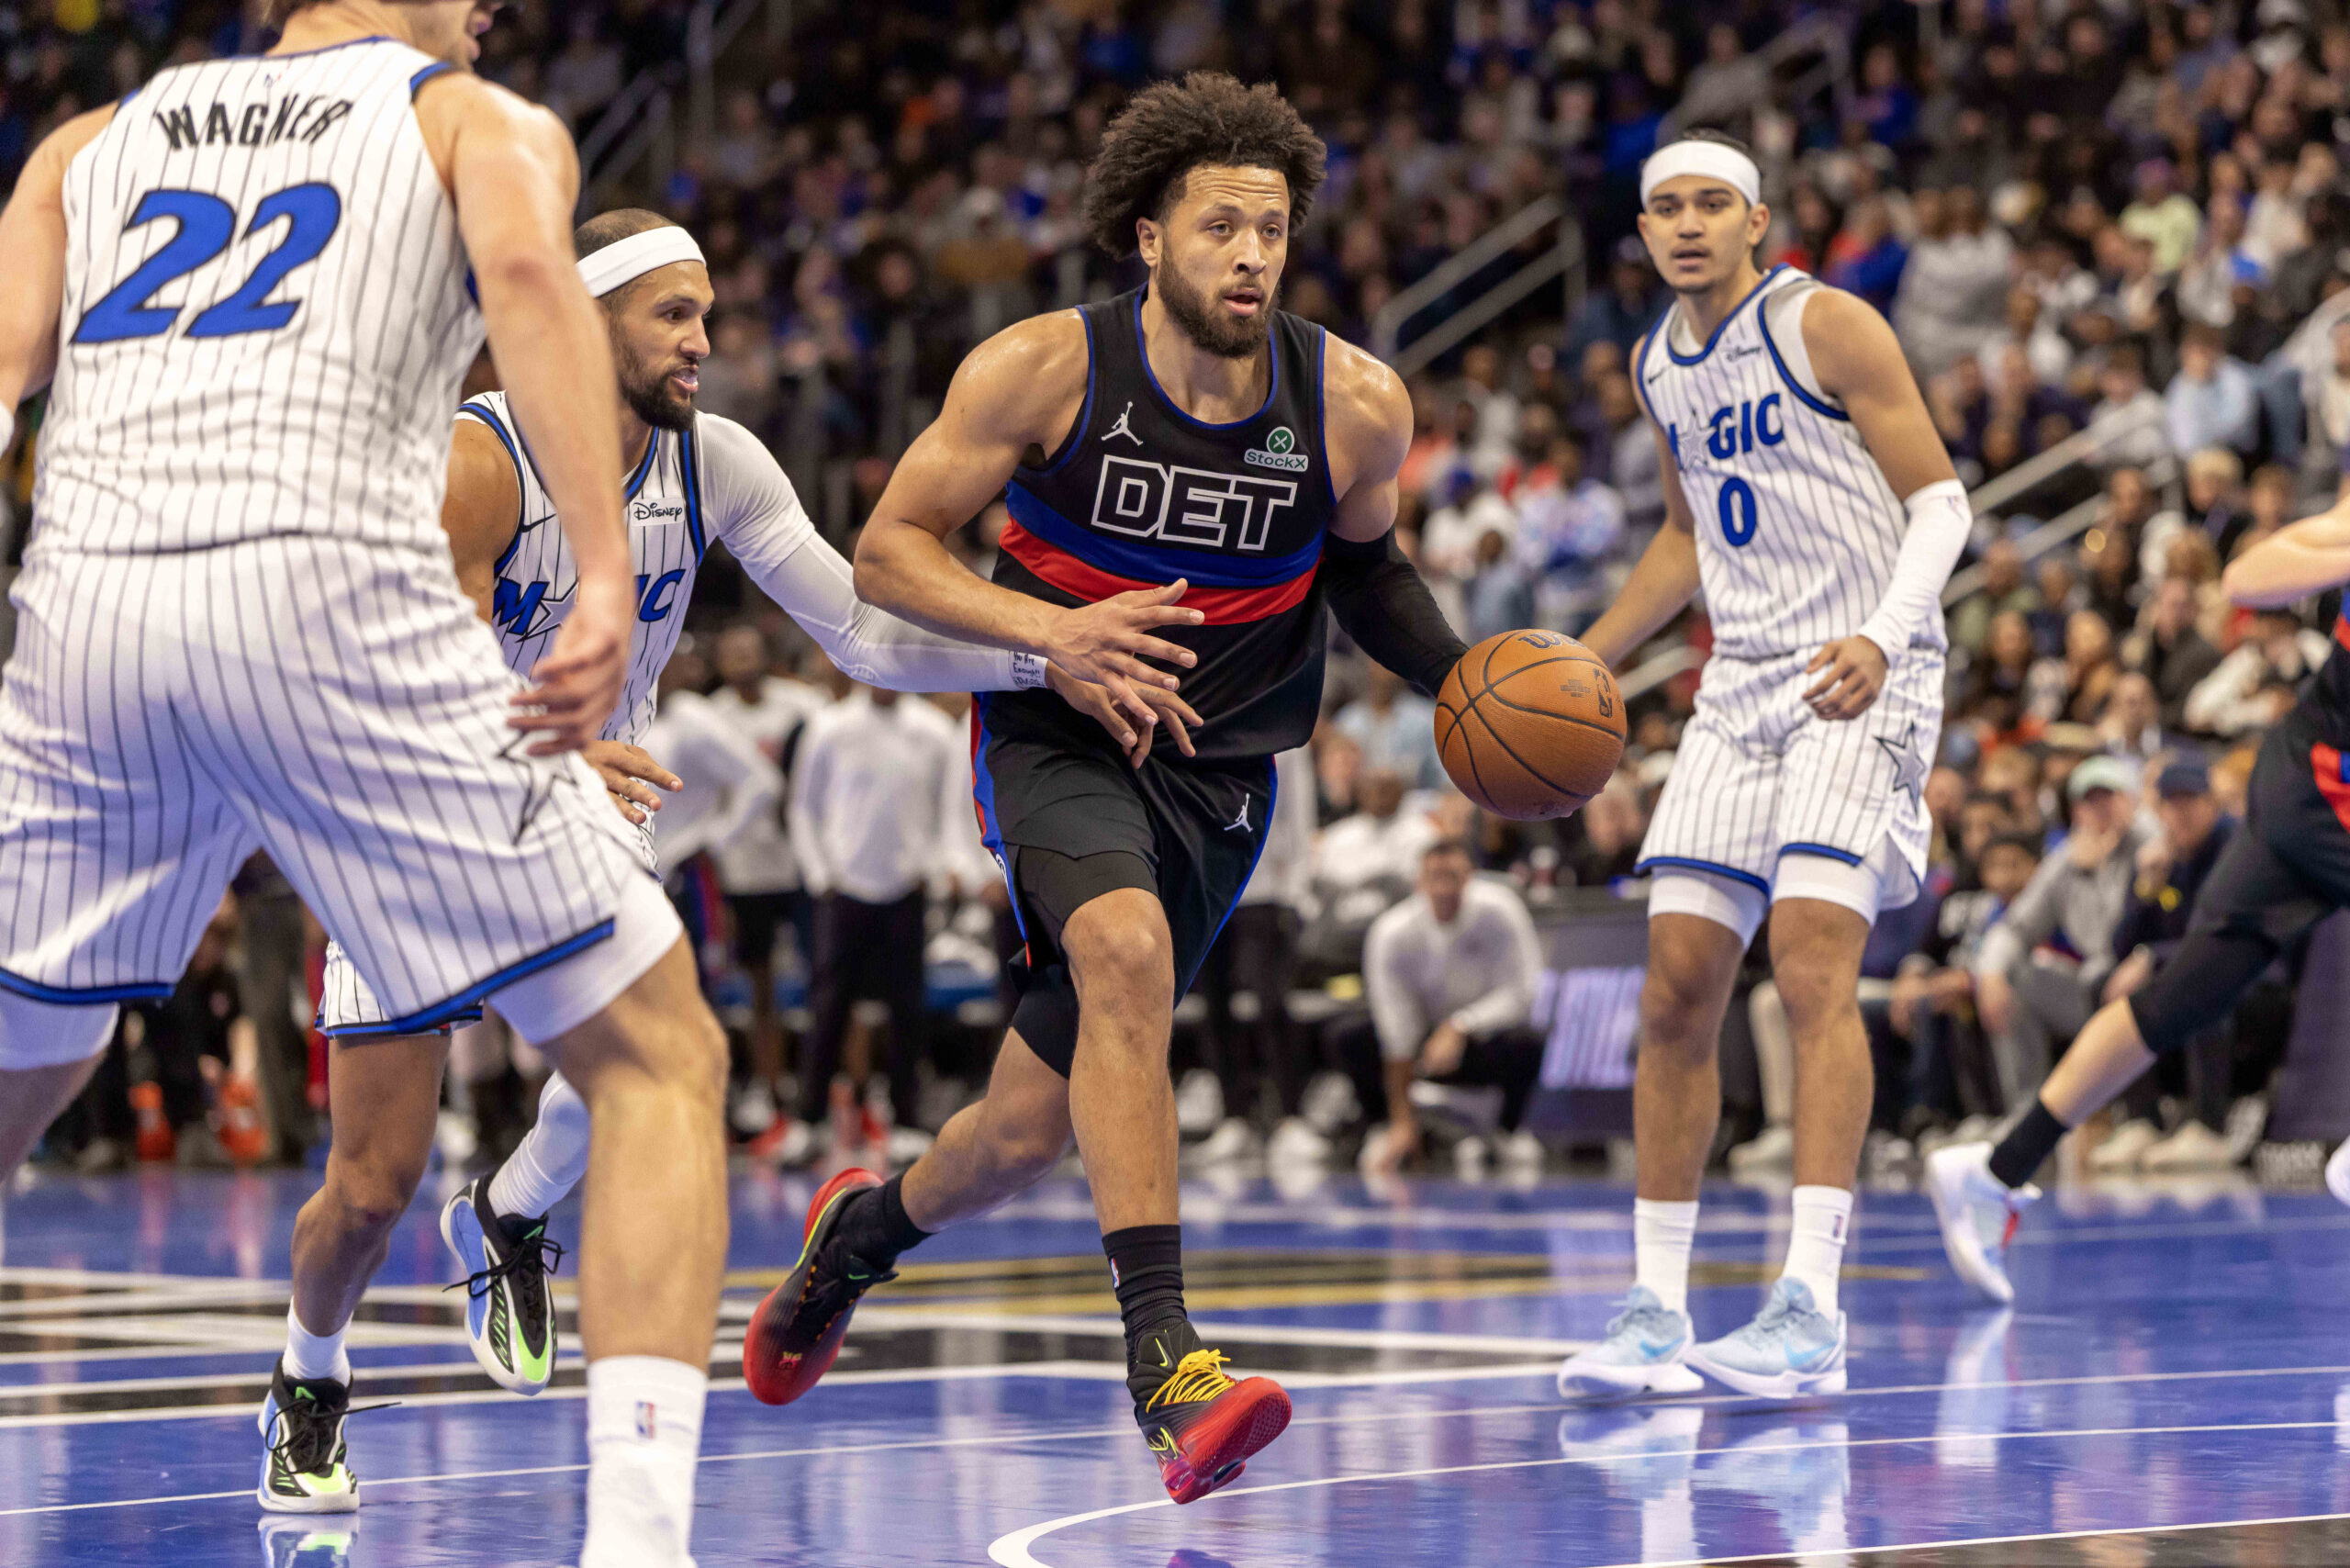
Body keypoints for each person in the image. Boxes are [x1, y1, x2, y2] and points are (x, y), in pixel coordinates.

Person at [0, 8, 724, 1562]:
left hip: (93, 615)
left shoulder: (83, 147)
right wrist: (601, 566)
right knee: (661, 1057)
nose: (492, 13)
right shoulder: (475, 121)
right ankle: (644, 1544)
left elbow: (1, 374)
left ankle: (327, 1368)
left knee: (16, 1080)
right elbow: (532, 289)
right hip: (330, 603)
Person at [292, 214, 1132, 1499]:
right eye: (671, 314)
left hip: (575, 824)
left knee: (667, 1056)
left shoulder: (716, 460)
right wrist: (558, 755)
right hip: (411, 820)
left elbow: (859, 629)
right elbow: (412, 677)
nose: (702, 340)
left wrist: (1042, 651)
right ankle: (311, 1372)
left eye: (707, 313)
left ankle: (510, 1213)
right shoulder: (478, 459)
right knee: (365, 1190)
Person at [804, 73, 1471, 1504]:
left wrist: (1466, 681)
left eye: (1273, 228)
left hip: (1222, 774)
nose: (1251, 253)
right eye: (1220, 224)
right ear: (1149, 238)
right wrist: (1053, 637)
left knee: (1023, 1134)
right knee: (1125, 949)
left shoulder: (1350, 401)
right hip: (1057, 728)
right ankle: (1169, 1364)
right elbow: (888, 548)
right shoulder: (1043, 369)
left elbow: (1363, 567)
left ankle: (859, 1240)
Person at [1552, 130, 1970, 1403]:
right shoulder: (1656, 364)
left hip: (1866, 665)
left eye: (1709, 205)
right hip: (1740, 681)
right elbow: (1683, 540)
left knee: (1808, 961)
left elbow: (1944, 503)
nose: (1685, 224)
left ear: (1757, 221)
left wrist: (1882, 638)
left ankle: (1811, 1307)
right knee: (1676, 987)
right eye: (1664, 207)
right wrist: (1577, 659)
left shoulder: (1827, 324)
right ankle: (1655, 1314)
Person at [1929, 506, 2350, 1300]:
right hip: (2314, 793)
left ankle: (1995, 1169)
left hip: (2305, 795)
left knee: (2178, 999)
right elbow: (2246, 576)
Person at [789, 681, 966, 1161]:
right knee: (829, 1006)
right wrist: (820, 874)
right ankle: (809, 1121)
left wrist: (935, 869)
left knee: (907, 1007)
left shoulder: (933, 731)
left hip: (906, 889)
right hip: (843, 890)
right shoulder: (829, 726)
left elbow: (948, 810)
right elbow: (803, 807)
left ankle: (907, 1120)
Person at [1348, 839, 1548, 1176]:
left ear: (1469, 876)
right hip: (1420, 1046)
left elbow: (1523, 991)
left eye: (1452, 875)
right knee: (1350, 1037)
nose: (1443, 886)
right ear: (1419, 882)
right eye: (1435, 876)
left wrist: (1461, 1025)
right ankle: (1386, 1126)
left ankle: (1505, 1131)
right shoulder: (1391, 933)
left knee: (1529, 1041)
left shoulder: (1500, 912)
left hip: (1479, 1040)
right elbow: (1395, 1030)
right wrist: (1402, 1118)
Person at [704, 623, 828, 1154]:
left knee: (822, 980)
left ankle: (824, 1096)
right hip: (744, 869)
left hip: (801, 864)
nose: (741, 659)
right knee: (757, 988)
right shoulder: (712, 717)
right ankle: (768, 1089)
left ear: (765, 653)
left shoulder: (804, 706)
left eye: (749, 649)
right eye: (731, 651)